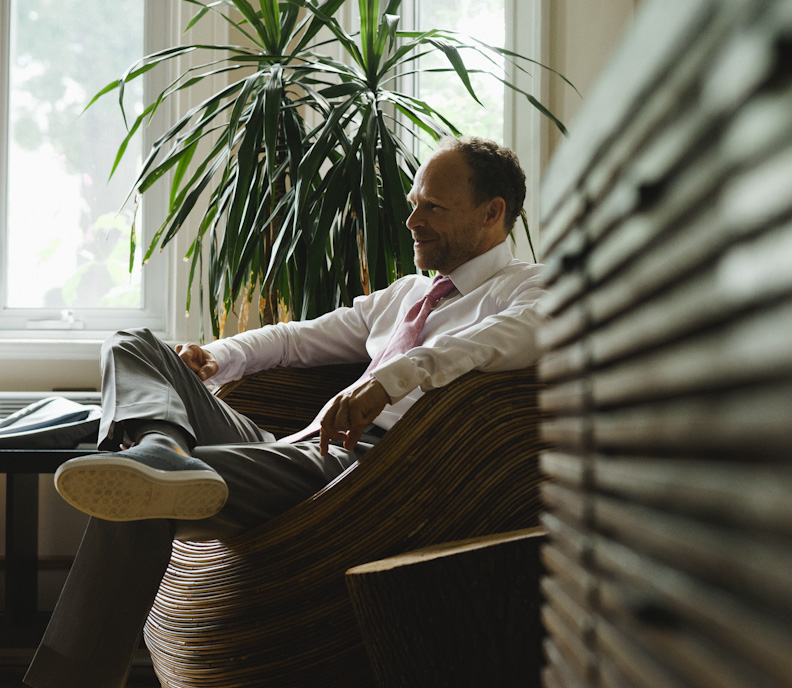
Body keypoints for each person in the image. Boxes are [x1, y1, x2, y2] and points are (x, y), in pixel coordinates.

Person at [24, 136, 546, 688]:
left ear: (493, 214)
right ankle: (164, 448)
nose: (412, 218)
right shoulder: (407, 293)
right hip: (295, 443)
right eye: (414, 201)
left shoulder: (529, 289)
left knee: (134, 492)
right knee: (130, 344)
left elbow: (499, 340)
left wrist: (389, 383)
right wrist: (218, 356)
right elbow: (299, 339)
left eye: (432, 207)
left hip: (363, 469)